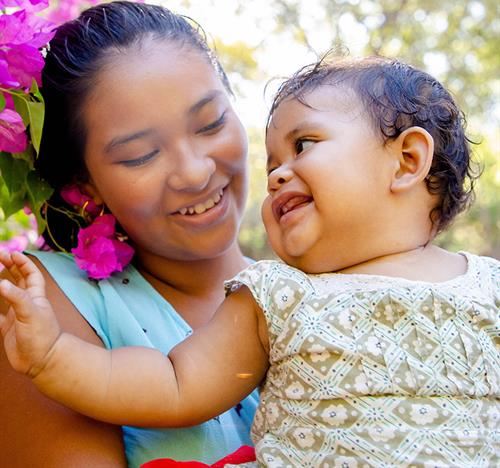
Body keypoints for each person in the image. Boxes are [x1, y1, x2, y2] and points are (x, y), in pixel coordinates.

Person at [2, 56, 499, 467]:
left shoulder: (489, 287)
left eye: (303, 145)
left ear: (408, 160)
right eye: (273, 163)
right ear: (86, 184)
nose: (277, 176)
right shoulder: (277, 295)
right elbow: (175, 385)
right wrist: (54, 357)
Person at [0, 1, 259, 467]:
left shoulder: (318, 288)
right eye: (141, 155)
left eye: (211, 123)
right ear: (86, 186)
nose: (194, 172)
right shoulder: (41, 307)